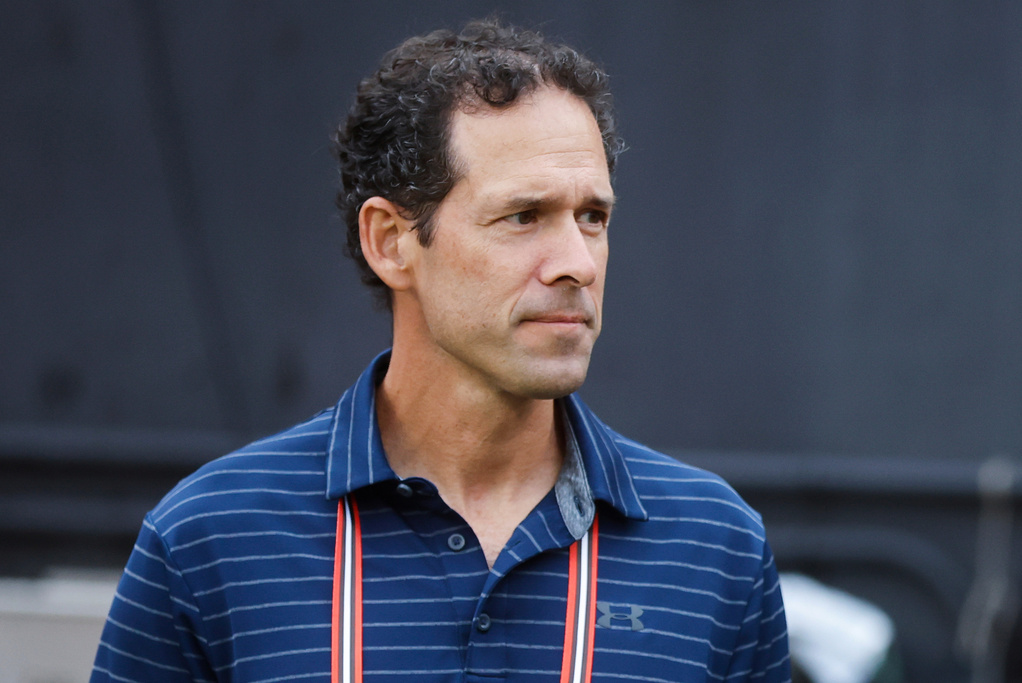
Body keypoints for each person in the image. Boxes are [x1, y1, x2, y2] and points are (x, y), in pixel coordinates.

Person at [91, 19, 790, 683]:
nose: (577, 261)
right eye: (524, 216)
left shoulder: (714, 546)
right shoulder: (211, 539)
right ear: (392, 242)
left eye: (593, 218)